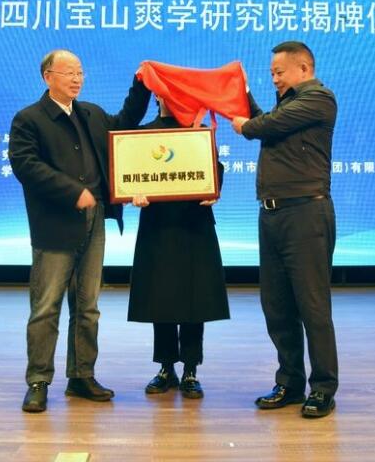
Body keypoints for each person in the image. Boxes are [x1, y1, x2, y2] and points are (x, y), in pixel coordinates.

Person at [9, 49, 151, 413]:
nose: (77, 79)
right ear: (48, 77)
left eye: (80, 72)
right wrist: (73, 192)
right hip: (55, 225)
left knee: (88, 306)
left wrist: (141, 85)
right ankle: (38, 381)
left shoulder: (91, 114)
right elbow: (26, 166)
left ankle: (82, 375)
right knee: (46, 307)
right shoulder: (29, 119)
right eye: (69, 72)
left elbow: (125, 124)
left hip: (94, 220)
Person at [230, 41, 339, 419]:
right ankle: (289, 383)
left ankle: (323, 388)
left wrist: (246, 125)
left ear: (304, 69)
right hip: (272, 216)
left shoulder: (319, 98)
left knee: (312, 306)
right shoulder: (287, 105)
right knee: (277, 306)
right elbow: (268, 123)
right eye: (271, 73)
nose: (274, 79)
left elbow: (265, 126)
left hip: (306, 214)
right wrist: (242, 92)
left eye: (279, 72)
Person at [127, 98, 229, 399]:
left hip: (194, 223)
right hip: (158, 225)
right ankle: (166, 367)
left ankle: (191, 369)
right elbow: (131, 173)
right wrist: (132, 192)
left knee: (194, 297)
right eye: (166, 93)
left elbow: (214, 169)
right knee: (161, 297)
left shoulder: (198, 133)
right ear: (157, 96)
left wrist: (215, 189)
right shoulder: (142, 135)